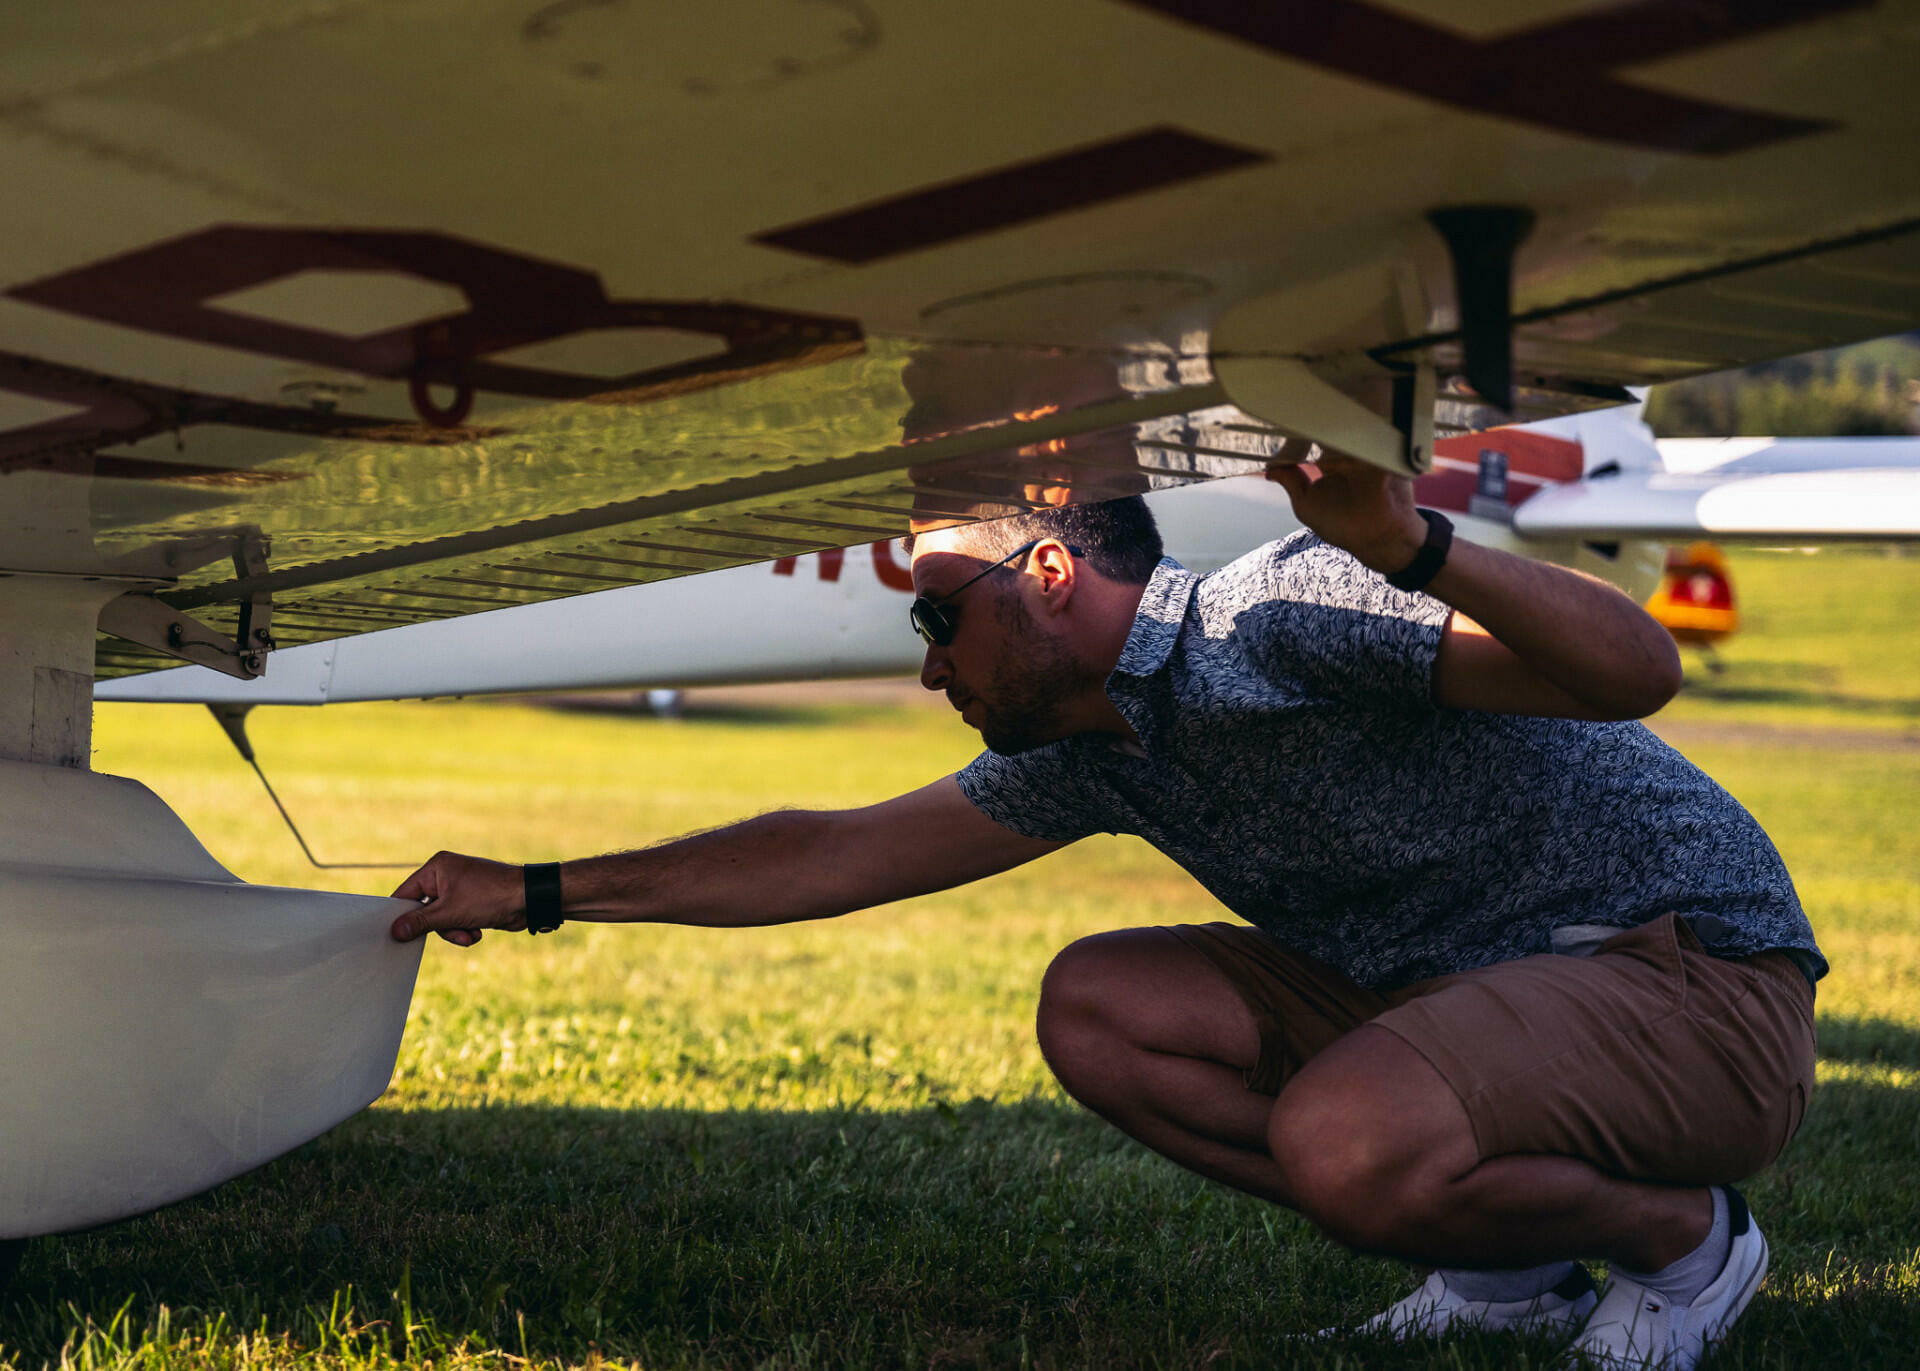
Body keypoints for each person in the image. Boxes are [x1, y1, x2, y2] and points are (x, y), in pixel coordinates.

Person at [390, 456, 1820, 1370]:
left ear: (1052, 576)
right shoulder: (1096, 748)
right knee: (1100, 1008)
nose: (929, 664)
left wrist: (1412, 542)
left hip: (1685, 980)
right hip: (1473, 1005)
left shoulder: (1278, 610)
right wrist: (533, 894)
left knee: (1345, 1139)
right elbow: (827, 855)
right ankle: (1508, 1273)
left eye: (937, 617)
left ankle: (1687, 1241)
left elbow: (1636, 669)